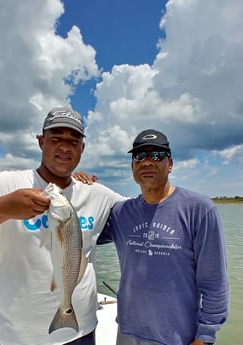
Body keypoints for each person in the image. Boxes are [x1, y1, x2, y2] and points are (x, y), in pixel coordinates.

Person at [0, 107, 124, 345]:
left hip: (81, 333)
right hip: (13, 338)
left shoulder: (98, 195)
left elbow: (145, 214)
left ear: (82, 149)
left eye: (74, 141)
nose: (65, 146)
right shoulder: (1, 185)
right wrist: (3, 208)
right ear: (41, 142)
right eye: (56, 138)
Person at [98, 129, 229, 345]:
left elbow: (215, 284)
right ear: (132, 166)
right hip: (127, 331)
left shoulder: (199, 209)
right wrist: (79, 186)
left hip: (177, 337)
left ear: (170, 164)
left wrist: (205, 336)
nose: (147, 161)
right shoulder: (121, 213)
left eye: (157, 155)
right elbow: (80, 236)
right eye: (139, 156)